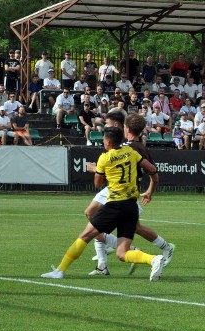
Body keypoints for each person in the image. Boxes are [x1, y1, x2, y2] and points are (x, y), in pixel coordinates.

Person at [41, 127, 165, 281]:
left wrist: (98, 169)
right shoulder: (132, 153)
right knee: (122, 253)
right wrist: (149, 191)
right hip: (131, 206)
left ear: (108, 142)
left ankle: (59, 271)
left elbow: (98, 184)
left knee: (85, 236)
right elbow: (153, 170)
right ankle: (153, 259)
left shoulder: (104, 158)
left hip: (115, 205)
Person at [84, 114, 175, 276]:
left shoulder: (131, 148)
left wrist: (94, 168)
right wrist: (150, 191)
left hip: (123, 189)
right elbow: (153, 172)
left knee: (99, 220)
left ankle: (127, 250)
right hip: (117, 188)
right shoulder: (138, 146)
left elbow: (146, 170)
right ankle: (103, 263)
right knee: (93, 215)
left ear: (124, 127)